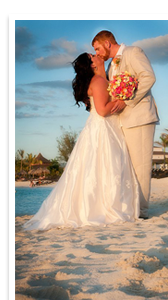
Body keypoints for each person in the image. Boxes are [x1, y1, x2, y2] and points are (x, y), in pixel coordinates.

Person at [23, 53, 139, 231]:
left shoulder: (101, 79)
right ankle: (103, 208)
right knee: (105, 167)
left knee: (98, 169)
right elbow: (102, 110)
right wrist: (121, 100)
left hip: (102, 128)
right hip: (103, 129)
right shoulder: (99, 81)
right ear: (92, 65)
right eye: (93, 55)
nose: (97, 54)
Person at [92, 30, 159, 219]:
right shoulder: (110, 66)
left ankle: (142, 211)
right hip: (122, 122)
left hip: (139, 118)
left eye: (97, 48)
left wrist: (127, 100)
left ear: (107, 43)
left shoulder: (132, 52)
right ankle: (132, 207)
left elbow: (148, 77)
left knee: (141, 167)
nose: (97, 53)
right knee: (128, 167)